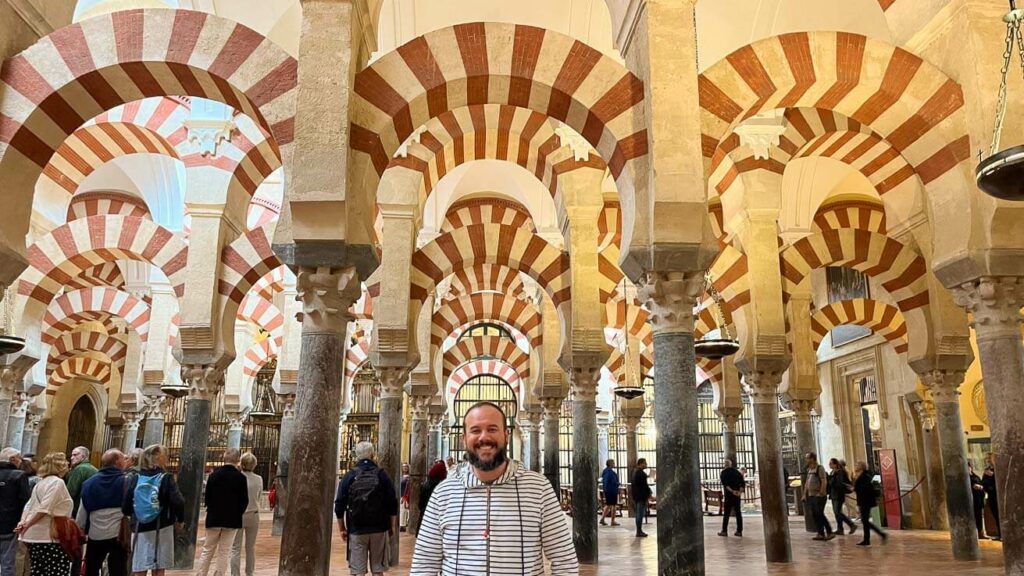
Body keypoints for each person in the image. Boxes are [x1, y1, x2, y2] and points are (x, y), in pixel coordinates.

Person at [411, 401, 578, 575]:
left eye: (492, 429)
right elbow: (424, 563)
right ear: (464, 439)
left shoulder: (539, 489)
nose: (484, 437)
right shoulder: (443, 493)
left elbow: (564, 560)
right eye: (475, 430)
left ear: (506, 435)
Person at [335, 442, 398, 576]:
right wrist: (391, 526)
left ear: (356, 456)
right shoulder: (382, 475)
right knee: (377, 570)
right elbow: (392, 503)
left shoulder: (350, 476)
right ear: (372, 454)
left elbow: (339, 504)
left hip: (356, 528)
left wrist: (342, 528)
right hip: (379, 527)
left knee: (357, 571)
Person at [122, 444, 185, 575]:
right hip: (162, 526)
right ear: (156, 457)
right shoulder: (166, 477)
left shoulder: (135, 477)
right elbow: (178, 501)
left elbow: (126, 505)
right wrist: (180, 519)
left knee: (140, 566)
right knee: (158, 567)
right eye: (164, 455)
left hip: (139, 526)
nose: (167, 458)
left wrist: (136, 514)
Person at [15, 452, 75, 576]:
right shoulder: (57, 483)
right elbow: (44, 509)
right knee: (56, 571)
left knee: (38, 570)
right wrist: (26, 525)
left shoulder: (41, 482)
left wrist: (23, 522)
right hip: (48, 535)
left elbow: (29, 506)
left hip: (35, 536)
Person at [195, 448, 248, 576]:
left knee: (207, 550)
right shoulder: (240, 477)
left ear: (224, 459)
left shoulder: (214, 475)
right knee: (225, 551)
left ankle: (201, 573)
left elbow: (207, 498)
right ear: (237, 460)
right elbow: (244, 500)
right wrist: (237, 513)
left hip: (214, 517)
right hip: (232, 519)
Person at [76, 449, 128, 576]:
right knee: (118, 569)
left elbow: (82, 511)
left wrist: (80, 528)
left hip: (95, 532)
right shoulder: (126, 481)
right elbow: (130, 507)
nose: (125, 462)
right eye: (123, 459)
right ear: (117, 462)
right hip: (117, 533)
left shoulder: (89, 483)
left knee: (92, 568)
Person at [229, 452, 262, 576]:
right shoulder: (259, 479)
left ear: (241, 464)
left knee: (235, 548)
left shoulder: (236, 477)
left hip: (238, 514)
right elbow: (258, 496)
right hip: (253, 515)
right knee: (250, 547)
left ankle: (235, 574)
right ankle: (249, 573)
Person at [0, 448, 31, 576]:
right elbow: (25, 501)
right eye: (19, 458)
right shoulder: (19, 475)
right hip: (10, 524)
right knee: (8, 562)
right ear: (13, 459)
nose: (21, 462)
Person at [853, 461, 886, 546]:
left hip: (866, 501)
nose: (855, 466)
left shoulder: (866, 476)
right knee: (865, 521)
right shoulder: (860, 476)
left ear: (862, 467)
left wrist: (856, 488)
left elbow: (866, 489)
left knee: (865, 521)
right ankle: (867, 539)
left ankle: (878, 535)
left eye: (857, 465)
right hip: (862, 500)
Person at [803, 452, 834, 541]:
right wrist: (804, 494)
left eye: (808, 458)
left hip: (819, 495)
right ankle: (820, 533)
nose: (806, 460)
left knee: (819, 514)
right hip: (811, 495)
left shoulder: (819, 468)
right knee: (814, 514)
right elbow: (807, 483)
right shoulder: (809, 470)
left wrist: (822, 492)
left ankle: (829, 532)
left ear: (812, 458)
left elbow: (823, 480)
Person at [66, 446, 98, 517]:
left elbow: (70, 492)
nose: (71, 458)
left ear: (83, 457)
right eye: (72, 455)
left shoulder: (80, 469)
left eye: (75, 455)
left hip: (78, 510)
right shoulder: (94, 469)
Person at [827, 458, 856, 535]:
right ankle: (840, 529)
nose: (829, 465)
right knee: (836, 512)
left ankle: (851, 524)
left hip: (838, 494)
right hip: (833, 494)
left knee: (838, 512)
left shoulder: (839, 472)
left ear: (835, 464)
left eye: (830, 463)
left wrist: (831, 480)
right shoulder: (832, 472)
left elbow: (838, 484)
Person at [718, 459, 745, 537]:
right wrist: (739, 492)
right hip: (737, 495)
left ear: (724, 465)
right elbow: (742, 484)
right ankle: (739, 531)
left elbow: (726, 485)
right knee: (738, 513)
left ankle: (724, 531)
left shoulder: (723, 473)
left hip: (729, 496)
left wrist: (732, 491)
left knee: (726, 513)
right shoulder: (737, 472)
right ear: (731, 464)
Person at [631, 458, 653, 538]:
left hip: (636, 496)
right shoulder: (640, 473)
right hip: (640, 496)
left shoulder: (635, 472)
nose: (646, 464)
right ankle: (639, 531)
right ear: (640, 464)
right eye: (645, 463)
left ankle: (639, 530)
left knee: (639, 513)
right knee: (640, 514)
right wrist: (649, 494)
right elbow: (644, 486)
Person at [982, 453, 1000, 541]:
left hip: (999, 496)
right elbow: (984, 482)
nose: (988, 460)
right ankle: (1000, 534)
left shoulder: (999, 469)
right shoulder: (987, 470)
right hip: (992, 496)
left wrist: (992, 476)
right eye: (987, 459)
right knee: (996, 516)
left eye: (989, 458)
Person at [969, 462, 988, 540]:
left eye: (969, 466)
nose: (968, 468)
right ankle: (973, 534)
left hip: (978, 499)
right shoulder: (966, 477)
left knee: (979, 516)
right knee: (972, 517)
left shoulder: (974, 475)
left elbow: (981, 482)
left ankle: (981, 533)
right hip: (971, 500)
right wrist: (973, 486)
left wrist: (981, 486)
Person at [600, 459, 620, 527]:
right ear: (610, 464)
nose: (614, 464)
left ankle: (602, 519)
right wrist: (617, 483)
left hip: (607, 490)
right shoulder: (610, 472)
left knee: (608, 504)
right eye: (613, 462)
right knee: (614, 505)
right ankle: (612, 521)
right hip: (612, 490)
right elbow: (614, 482)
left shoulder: (604, 471)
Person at [399, 462, 411, 532]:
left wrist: (405, 496)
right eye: (403, 467)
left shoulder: (408, 477)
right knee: (402, 511)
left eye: (406, 467)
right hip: (400, 494)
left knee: (404, 511)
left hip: (404, 495)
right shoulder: (400, 476)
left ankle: (403, 525)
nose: (405, 468)